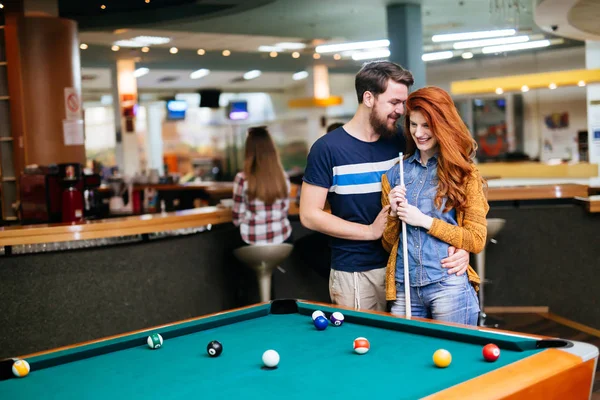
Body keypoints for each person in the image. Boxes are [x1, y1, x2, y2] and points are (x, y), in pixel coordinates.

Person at [300, 61, 471, 311]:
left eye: (403, 103)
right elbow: (309, 215)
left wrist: (461, 247)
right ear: (368, 98)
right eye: (394, 102)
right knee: (364, 344)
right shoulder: (327, 149)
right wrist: (369, 231)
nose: (401, 110)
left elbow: (451, 190)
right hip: (357, 271)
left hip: (408, 272)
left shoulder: (404, 140)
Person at [381, 86, 489, 325]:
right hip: (404, 288)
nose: (419, 133)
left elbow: (476, 239)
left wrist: (424, 221)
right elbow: (389, 243)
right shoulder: (394, 175)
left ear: (442, 125)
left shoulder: (464, 174)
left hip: (447, 285)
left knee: (456, 359)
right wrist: (393, 214)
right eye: (413, 125)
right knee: (405, 359)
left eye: (427, 125)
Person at [232, 126, 292, 245]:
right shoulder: (283, 176)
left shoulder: (242, 179)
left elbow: (237, 218)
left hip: (251, 240)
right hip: (282, 239)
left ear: (249, 150)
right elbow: (285, 210)